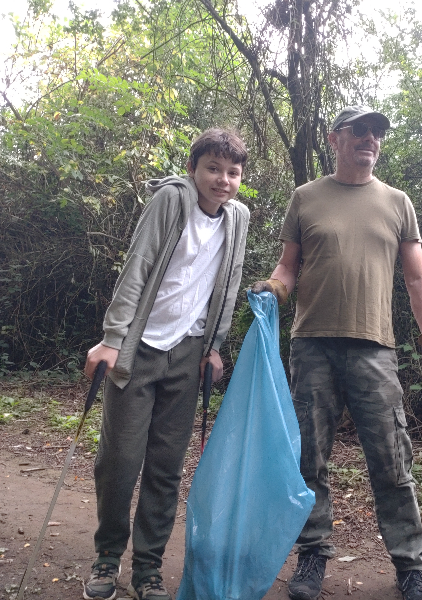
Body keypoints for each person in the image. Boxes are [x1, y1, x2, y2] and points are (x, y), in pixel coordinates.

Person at [252, 106, 422, 600]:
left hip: (374, 349)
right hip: (312, 345)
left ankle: (411, 566)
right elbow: (288, 266)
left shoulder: (398, 202)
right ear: (334, 138)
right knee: (309, 458)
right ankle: (312, 555)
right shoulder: (306, 197)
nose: (369, 138)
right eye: (359, 129)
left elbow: (417, 276)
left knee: (391, 459)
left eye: (377, 131)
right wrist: (275, 289)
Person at [81, 128, 250, 600]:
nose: (222, 180)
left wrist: (214, 346)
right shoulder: (171, 200)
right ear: (193, 168)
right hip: (139, 349)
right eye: (212, 168)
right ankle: (107, 556)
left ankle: (148, 567)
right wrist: (112, 339)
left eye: (232, 172)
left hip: (189, 352)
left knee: (166, 466)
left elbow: (229, 284)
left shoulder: (238, 218)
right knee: (119, 461)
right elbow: (137, 266)